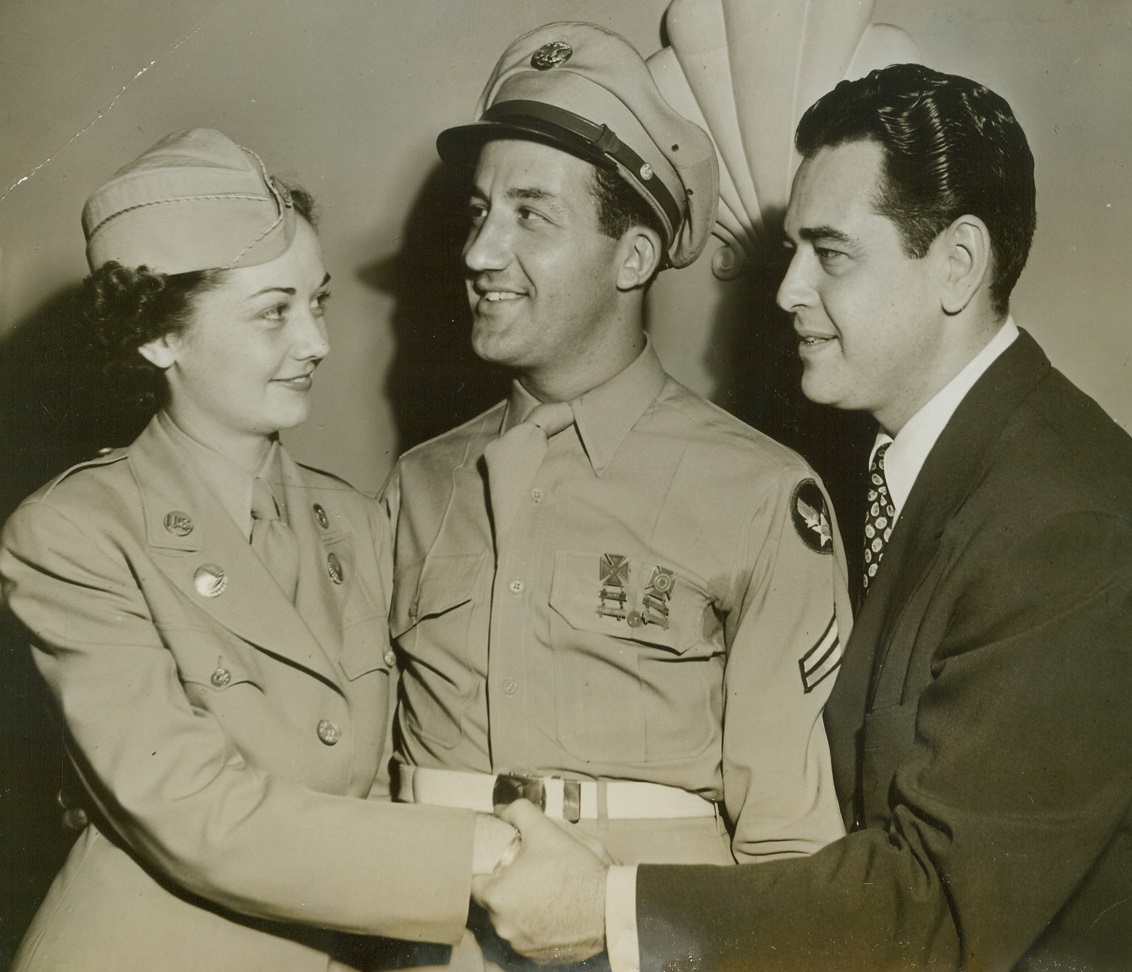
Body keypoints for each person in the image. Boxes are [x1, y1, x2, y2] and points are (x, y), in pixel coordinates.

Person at [470, 63, 1132, 972]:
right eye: (793, 249)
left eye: (832, 252)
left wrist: (615, 907)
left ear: (958, 265)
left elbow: (940, 907)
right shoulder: (922, 470)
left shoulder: (1067, 519)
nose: (787, 290)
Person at [380, 21, 852, 970]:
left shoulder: (760, 493)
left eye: (530, 215)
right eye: (479, 213)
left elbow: (789, 852)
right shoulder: (417, 483)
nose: (479, 253)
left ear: (633, 258)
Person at [0, 128, 517, 972]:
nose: (314, 342)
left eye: (317, 302)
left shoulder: (355, 521)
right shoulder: (74, 535)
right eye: (273, 312)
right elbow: (194, 808)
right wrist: (479, 861)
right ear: (160, 339)